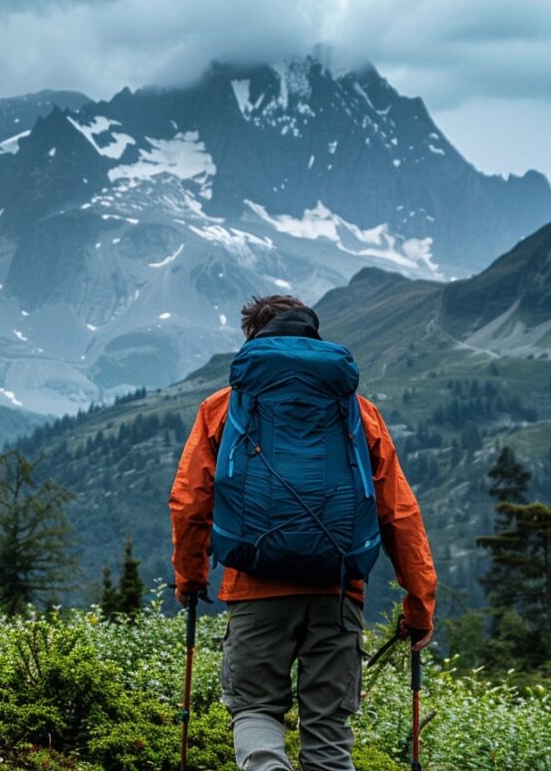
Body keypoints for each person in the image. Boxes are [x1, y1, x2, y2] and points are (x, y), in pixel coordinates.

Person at [168, 295, 436, 771]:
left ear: (253, 339)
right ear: (314, 339)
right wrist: (419, 602)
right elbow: (399, 514)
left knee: (254, 710)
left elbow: (190, 502)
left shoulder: (224, 407)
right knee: (329, 733)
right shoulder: (359, 411)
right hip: (337, 592)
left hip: (254, 588)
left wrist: (190, 578)